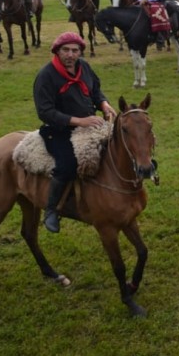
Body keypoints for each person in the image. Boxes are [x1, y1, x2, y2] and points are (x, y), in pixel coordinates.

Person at [34, 31, 116, 232]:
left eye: (75, 50)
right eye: (66, 50)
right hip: (58, 130)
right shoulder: (46, 76)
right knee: (68, 164)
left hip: (90, 124)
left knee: (116, 149)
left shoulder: (84, 67)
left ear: (80, 52)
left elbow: (95, 90)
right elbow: (45, 112)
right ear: (57, 51)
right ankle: (52, 210)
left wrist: (104, 105)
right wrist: (80, 121)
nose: (70, 55)